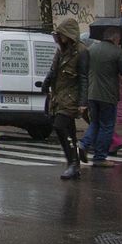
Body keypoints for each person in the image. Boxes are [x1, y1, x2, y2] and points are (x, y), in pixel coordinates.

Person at [39, 16, 87, 179]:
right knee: (68, 130)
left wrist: (82, 102)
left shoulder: (81, 52)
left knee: (61, 125)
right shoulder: (61, 51)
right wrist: (45, 85)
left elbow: (83, 78)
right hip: (59, 94)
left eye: (63, 34)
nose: (61, 38)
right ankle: (74, 160)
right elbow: (53, 70)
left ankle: (73, 162)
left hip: (71, 95)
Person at [80, 28, 122, 166]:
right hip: (108, 95)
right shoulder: (116, 52)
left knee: (95, 123)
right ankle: (100, 157)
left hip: (92, 93)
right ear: (115, 39)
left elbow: (84, 72)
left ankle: (84, 144)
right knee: (107, 126)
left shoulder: (91, 50)